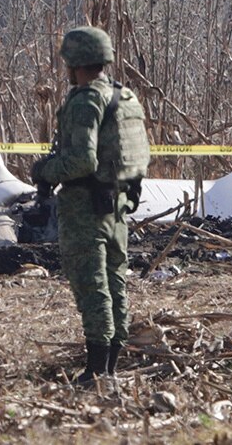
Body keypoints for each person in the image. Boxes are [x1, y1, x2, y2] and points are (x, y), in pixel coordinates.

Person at [31, 26, 151, 386]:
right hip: (118, 205)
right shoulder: (126, 97)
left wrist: (44, 170)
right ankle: (110, 366)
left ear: (74, 62)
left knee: (92, 284)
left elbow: (82, 160)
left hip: (86, 206)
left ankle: (97, 371)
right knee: (115, 283)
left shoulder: (86, 100)